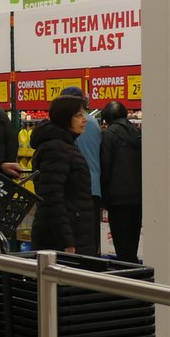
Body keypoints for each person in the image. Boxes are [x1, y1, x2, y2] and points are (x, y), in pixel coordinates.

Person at [31, 95, 100, 256]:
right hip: (63, 237)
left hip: (75, 229)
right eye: (78, 115)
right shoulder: (56, 149)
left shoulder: (66, 145)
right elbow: (51, 197)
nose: (85, 119)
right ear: (64, 118)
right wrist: (66, 241)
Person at [100, 101, 143, 263]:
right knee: (133, 237)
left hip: (117, 197)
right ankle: (133, 268)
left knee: (121, 240)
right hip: (138, 195)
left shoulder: (108, 135)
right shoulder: (137, 132)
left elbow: (105, 165)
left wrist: (103, 196)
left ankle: (126, 271)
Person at [62, 87, 105, 250]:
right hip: (94, 185)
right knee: (91, 236)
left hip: (76, 187)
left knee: (76, 237)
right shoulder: (93, 122)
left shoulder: (71, 124)